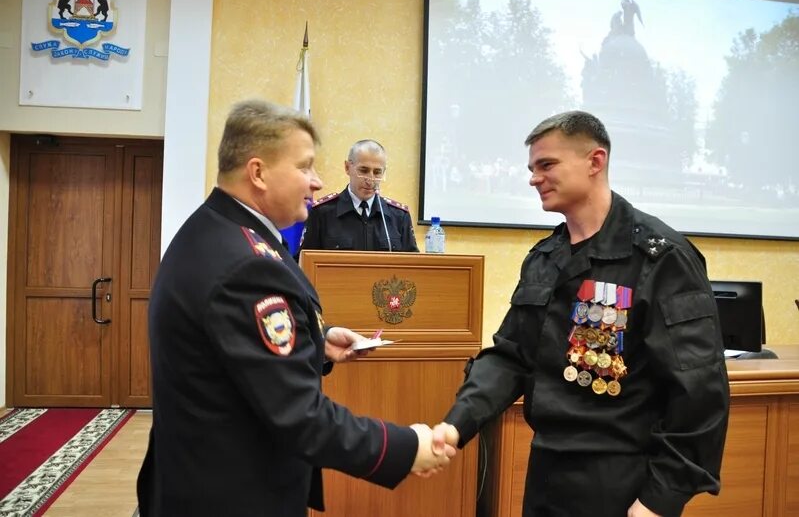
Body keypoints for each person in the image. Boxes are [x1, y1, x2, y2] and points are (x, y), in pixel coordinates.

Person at [136, 100, 454, 517]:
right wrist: (406, 447)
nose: (317, 182)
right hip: (232, 493)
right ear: (258, 173)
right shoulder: (245, 263)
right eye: (305, 167)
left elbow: (231, 348)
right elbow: (299, 415)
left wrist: (317, 341)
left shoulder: (218, 229)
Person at [431, 111, 730, 517]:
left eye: (547, 165)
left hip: (622, 481)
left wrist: (661, 498)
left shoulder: (661, 260)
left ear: (595, 161)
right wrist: (456, 424)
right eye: (532, 168)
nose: (534, 178)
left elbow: (699, 392)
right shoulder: (545, 257)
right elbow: (511, 356)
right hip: (547, 473)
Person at [298, 139, 419, 253]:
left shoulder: (399, 216)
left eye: (377, 172)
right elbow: (304, 263)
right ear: (347, 167)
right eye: (363, 170)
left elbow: (414, 266)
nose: (370, 179)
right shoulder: (322, 213)